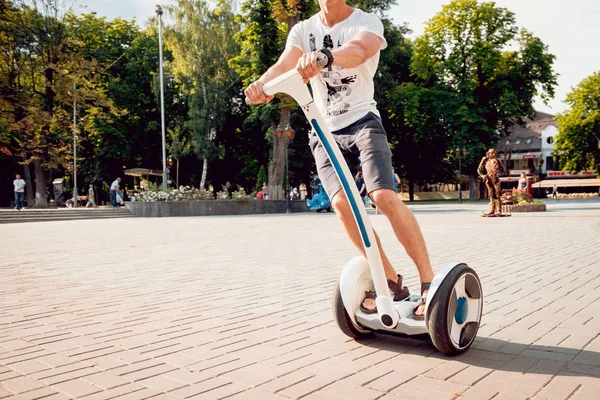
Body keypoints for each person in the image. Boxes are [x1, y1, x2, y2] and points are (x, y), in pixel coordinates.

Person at [244, 0, 435, 318]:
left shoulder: (366, 22)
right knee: (343, 205)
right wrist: (262, 86)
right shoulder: (303, 30)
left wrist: (326, 56)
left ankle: (429, 281)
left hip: (363, 122)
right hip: (324, 129)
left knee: (382, 196)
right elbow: (283, 65)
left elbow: (360, 50)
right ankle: (389, 279)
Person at [477, 149, 507, 217]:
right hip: (488, 179)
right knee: (491, 195)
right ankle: (492, 210)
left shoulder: (497, 160)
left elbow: (503, 171)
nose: (491, 154)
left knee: (498, 195)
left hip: (496, 179)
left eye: (493, 153)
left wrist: (499, 171)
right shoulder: (485, 160)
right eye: (490, 153)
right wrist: (482, 176)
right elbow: (479, 170)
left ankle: (499, 210)